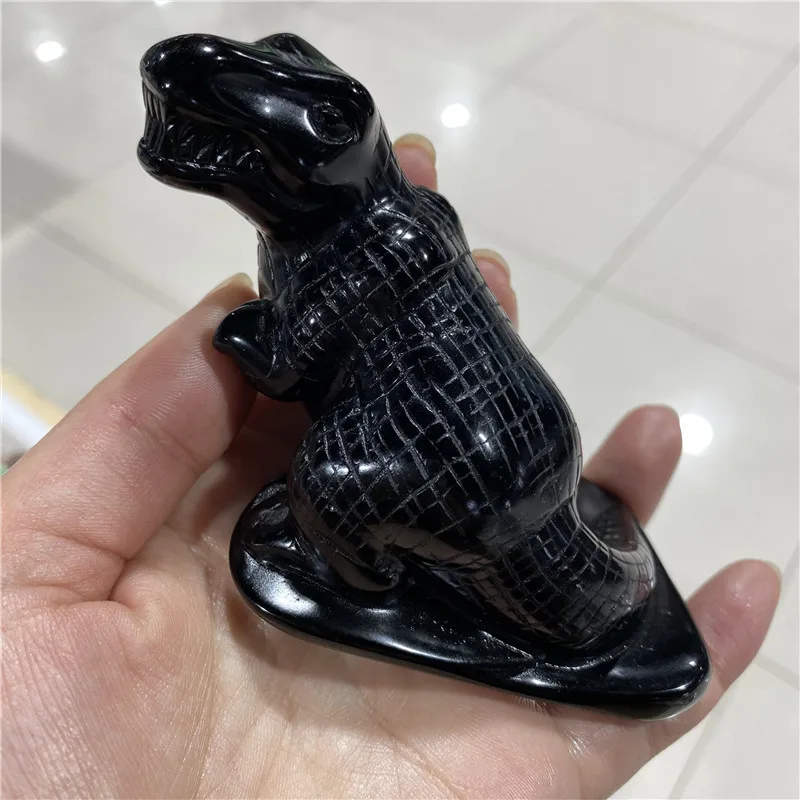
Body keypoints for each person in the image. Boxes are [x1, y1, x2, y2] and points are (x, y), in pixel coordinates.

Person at [2, 135, 780, 799]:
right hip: (538, 441)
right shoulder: (420, 217)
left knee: (326, 488)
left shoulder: (355, 255)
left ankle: (365, 579)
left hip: (452, 483)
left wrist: (251, 339)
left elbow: (282, 362)